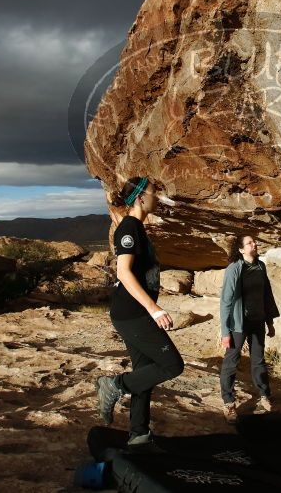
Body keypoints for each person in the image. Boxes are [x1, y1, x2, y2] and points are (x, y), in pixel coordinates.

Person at [95, 176, 184, 450]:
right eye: (153, 192)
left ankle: (139, 435)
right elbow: (123, 272)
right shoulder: (129, 228)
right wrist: (154, 309)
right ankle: (115, 384)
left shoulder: (137, 229)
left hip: (132, 314)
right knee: (172, 365)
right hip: (132, 314)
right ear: (140, 198)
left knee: (145, 372)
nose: (157, 197)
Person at [219, 234, 280, 423]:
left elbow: (267, 295)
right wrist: (225, 331)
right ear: (241, 249)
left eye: (254, 242)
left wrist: (269, 321)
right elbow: (226, 301)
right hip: (238, 324)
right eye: (249, 243)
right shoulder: (234, 269)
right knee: (232, 361)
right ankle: (228, 403)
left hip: (258, 321)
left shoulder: (260, 266)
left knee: (259, 360)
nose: (254, 244)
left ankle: (264, 396)